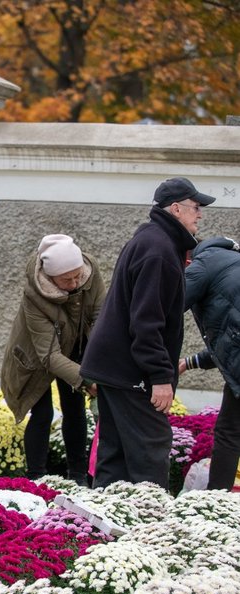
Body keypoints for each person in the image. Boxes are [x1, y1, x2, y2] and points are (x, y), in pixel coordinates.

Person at [80, 177, 214, 488]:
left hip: (115, 367)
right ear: (176, 208)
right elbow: (146, 323)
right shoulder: (159, 250)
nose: (200, 214)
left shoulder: (154, 240)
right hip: (130, 370)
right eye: (196, 207)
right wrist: (160, 378)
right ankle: (148, 529)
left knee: (115, 455)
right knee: (150, 447)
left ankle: (110, 524)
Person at [0, 234, 106, 485]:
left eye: (77, 275)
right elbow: (48, 355)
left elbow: (101, 315)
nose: (75, 282)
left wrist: (101, 362)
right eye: (66, 279)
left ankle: (78, 477)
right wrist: (86, 380)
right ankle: (36, 479)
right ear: (50, 277)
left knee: (75, 409)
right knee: (42, 411)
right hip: (36, 356)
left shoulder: (89, 272)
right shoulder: (34, 296)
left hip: (76, 347)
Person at [180, 235, 240, 491]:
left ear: (186, 261)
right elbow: (230, 341)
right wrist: (189, 362)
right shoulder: (229, 260)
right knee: (229, 430)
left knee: (228, 434)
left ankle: (217, 500)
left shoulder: (202, 267)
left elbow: (166, 307)